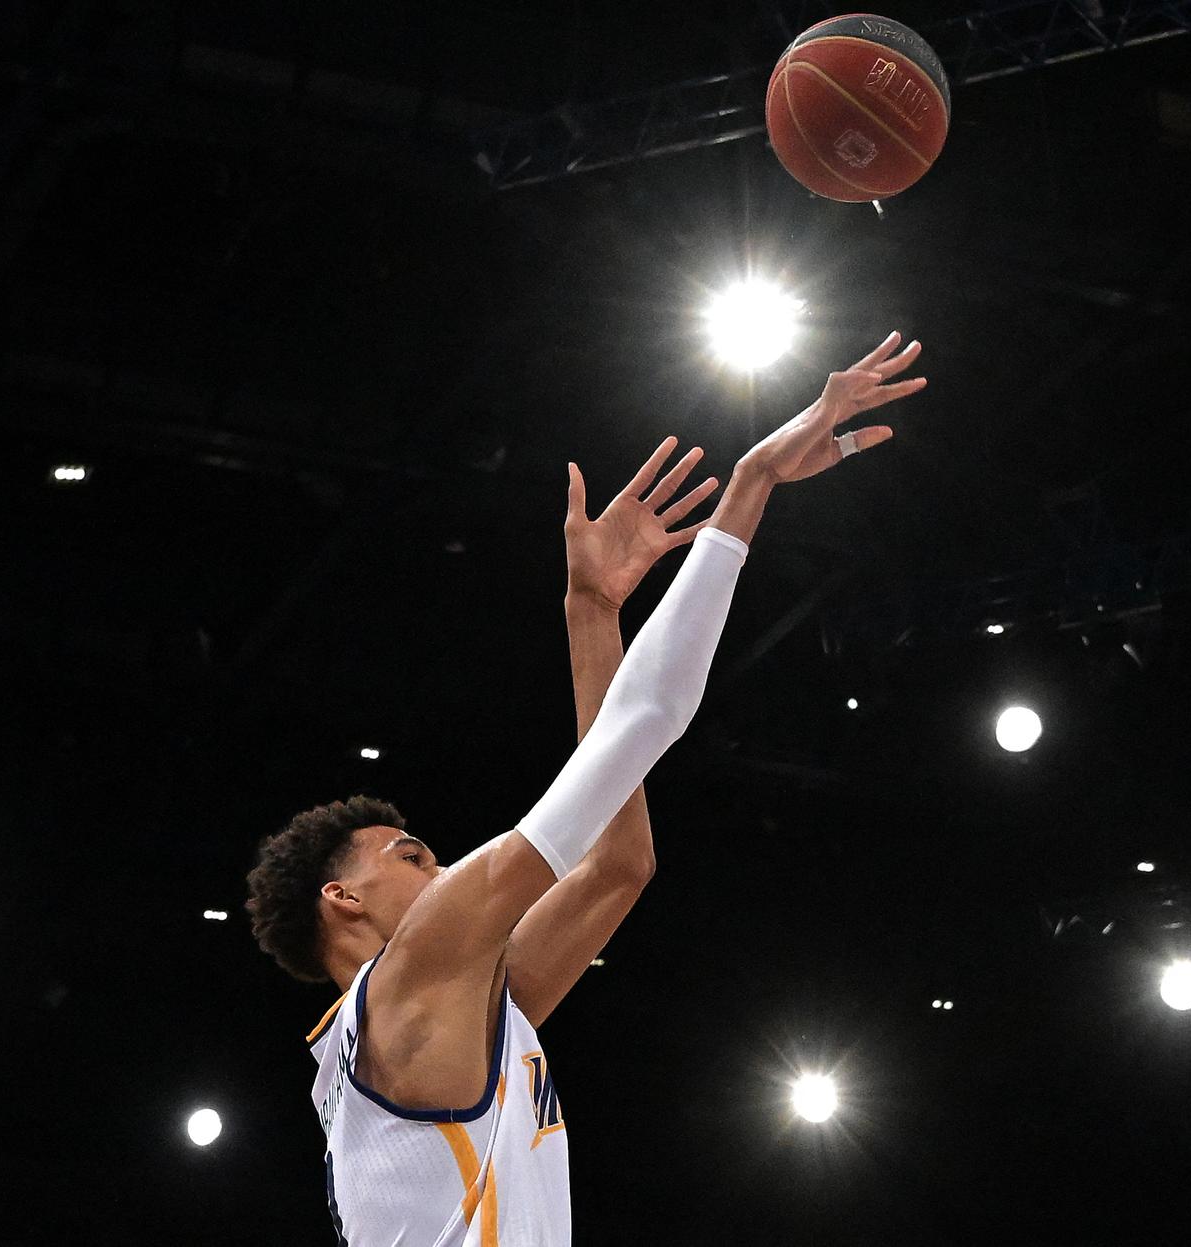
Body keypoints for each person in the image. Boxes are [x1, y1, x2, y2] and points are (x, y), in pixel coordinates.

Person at [245, 333, 926, 1244]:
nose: (439, 863)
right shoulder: (414, 972)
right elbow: (647, 720)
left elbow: (619, 862)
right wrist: (752, 482)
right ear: (343, 898)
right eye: (410, 855)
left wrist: (594, 611)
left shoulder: (441, 1010)